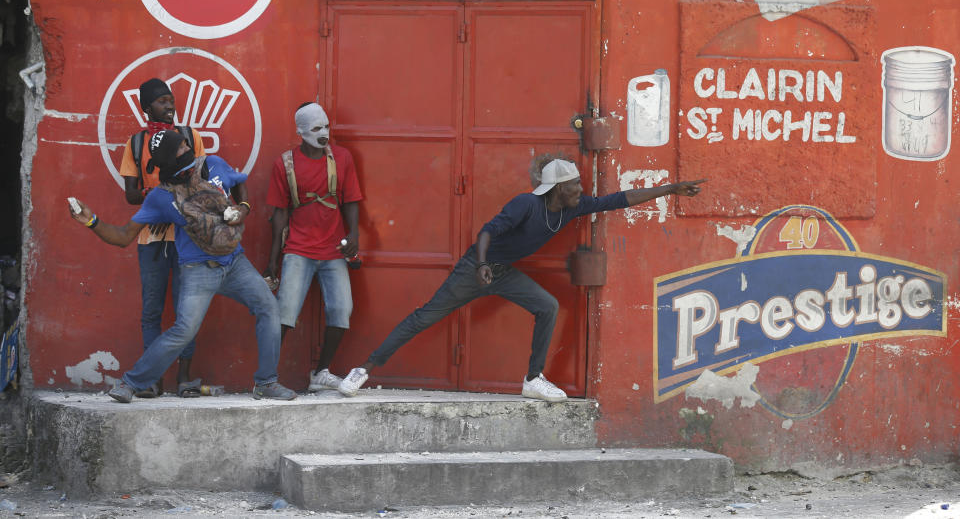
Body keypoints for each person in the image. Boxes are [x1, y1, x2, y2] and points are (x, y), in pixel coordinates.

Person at [337, 156, 706, 402]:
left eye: (579, 184)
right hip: (475, 270)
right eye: (574, 185)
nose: (581, 189)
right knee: (425, 317)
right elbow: (486, 232)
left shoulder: (574, 208)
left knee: (547, 306)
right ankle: (362, 369)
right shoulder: (526, 205)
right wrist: (481, 264)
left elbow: (620, 199)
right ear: (557, 188)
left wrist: (671, 189)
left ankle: (532, 379)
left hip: (503, 274)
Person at [68, 130, 296, 403]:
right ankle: (130, 384)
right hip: (197, 270)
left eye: (186, 143)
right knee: (183, 331)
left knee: (269, 308)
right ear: (167, 161)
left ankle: (266, 383)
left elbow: (239, 183)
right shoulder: (161, 197)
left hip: (235, 262)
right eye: (180, 148)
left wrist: (243, 208)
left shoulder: (213, 164)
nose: (188, 147)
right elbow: (123, 236)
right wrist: (91, 221)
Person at [264, 102, 363, 392]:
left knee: (342, 310)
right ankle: (266, 377)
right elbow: (279, 213)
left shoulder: (342, 158)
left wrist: (353, 234)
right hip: (298, 249)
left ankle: (321, 373)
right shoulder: (284, 164)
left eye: (327, 127)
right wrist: (273, 261)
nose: (324, 134)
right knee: (285, 313)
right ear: (301, 132)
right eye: (316, 129)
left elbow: (351, 199)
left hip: (334, 250)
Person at [118, 78, 207, 397]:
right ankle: (151, 380)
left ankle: (185, 378)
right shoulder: (136, 144)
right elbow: (130, 194)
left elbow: (202, 185)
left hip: (186, 238)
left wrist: (167, 207)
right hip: (150, 240)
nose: (170, 106)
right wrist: (157, 203)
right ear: (146, 107)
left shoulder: (190, 137)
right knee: (152, 310)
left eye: (172, 100)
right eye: (162, 101)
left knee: (188, 309)